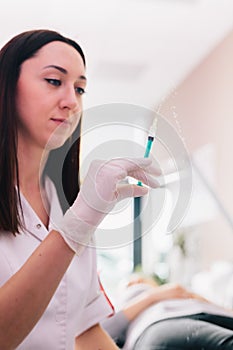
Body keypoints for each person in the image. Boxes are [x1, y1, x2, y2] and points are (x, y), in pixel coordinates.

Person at [0, 29, 160, 349]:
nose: (71, 101)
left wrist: (81, 218)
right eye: (54, 81)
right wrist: (78, 225)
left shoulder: (68, 203)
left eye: (80, 88)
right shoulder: (80, 214)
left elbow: (84, 331)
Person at [102, 274, 233, 349]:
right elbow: (105, 329)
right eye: (129, 284)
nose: (135, 280)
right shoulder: (127, 302)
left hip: (166, 330)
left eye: (140, 280)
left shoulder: (172, 297)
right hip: (159, 331)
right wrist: (152, 295)